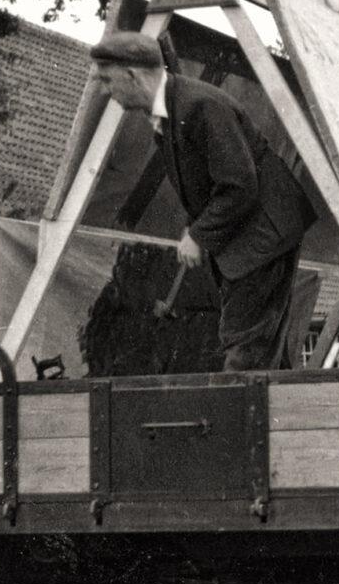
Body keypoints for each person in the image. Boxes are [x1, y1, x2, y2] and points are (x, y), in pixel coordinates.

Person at [89, 32, 316, 371]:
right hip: (251, 236)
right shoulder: (171, 111)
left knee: (246, 345)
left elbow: (239, 184)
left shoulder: (200, 106)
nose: (106, 91)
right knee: (258, 346)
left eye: (107, 80)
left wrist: (197, 235)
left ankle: (237, 423)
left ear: (132, 75)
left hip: (264, 235)